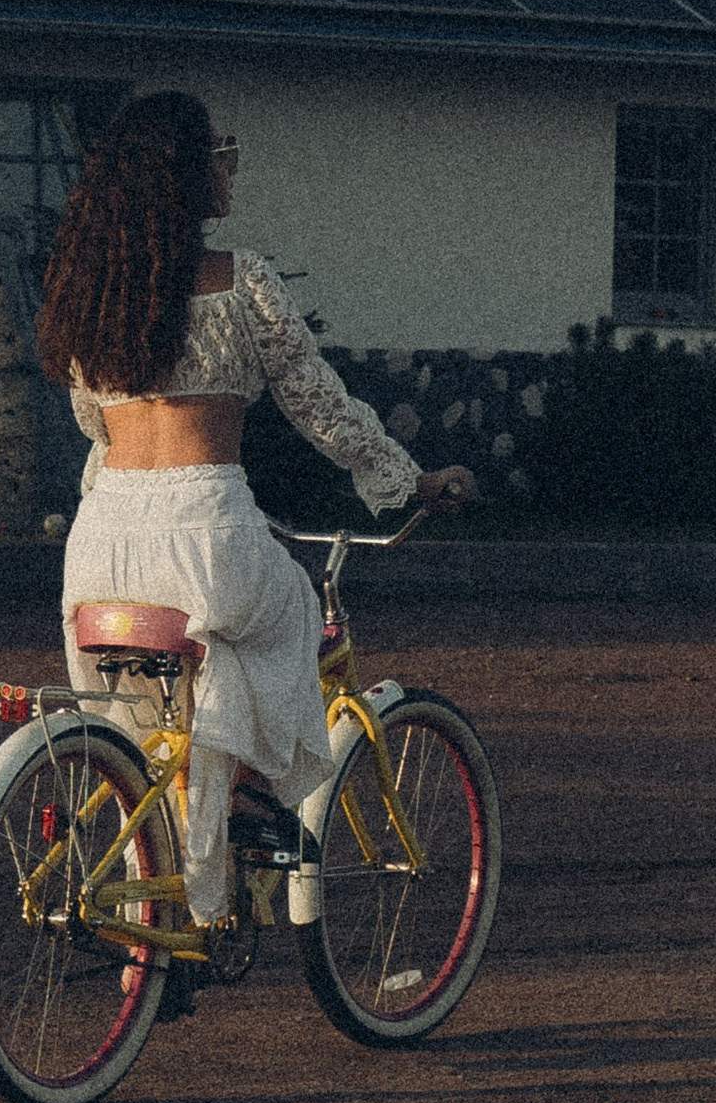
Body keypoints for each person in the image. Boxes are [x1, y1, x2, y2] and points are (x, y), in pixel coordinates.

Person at [37, 89, 475, 941]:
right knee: (290, 615)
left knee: (150, 726)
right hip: (210, 529)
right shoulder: (244, 282)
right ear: (185, 177)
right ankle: (251, 802)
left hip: (99, 542)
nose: (228, 165)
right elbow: (322, 410)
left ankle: (160, 906)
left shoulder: (93, 300)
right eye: (215, 152)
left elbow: (93, 423)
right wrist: (409, 481)